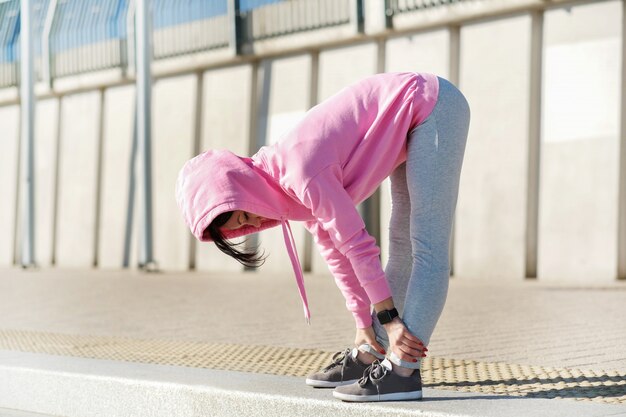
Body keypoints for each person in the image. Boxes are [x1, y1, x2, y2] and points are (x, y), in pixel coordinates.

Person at [176, 72, 470, 402]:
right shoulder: (282, 191)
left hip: (432, 104)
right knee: (401, 244)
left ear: (241, 184)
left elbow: (356, 243)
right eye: (242, 225)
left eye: (244, 214)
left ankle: (404, 369)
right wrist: (363, 324)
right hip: (408, 118)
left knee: (427, 245)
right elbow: (335, 252)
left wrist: (389, 321)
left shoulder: (298, 170)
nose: (255, 221)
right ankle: (371, 352)